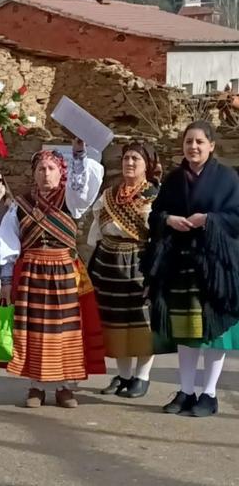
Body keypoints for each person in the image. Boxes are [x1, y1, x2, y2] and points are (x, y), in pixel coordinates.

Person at [0, 141, 105, 409]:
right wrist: (6, 280)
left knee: (66, 331)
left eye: (51, 167)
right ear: (34, 173)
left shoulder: (72, 200)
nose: (46, 173)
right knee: (34, 330)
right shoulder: (20, 204)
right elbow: (7, 243)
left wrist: (79, 155)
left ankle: (65, 387)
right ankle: (37, 386)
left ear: (61, 171)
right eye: (41, 168)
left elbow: (84, 187)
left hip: (64, 272)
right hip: (32, 273)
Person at [143, 120, 239, 418]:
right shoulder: (173, 179)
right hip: (180, 264)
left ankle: (209, 395)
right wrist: (169, 220)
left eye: (199, 142)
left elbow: (236, 216)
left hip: (215, 267)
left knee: (214, 333)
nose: (193, 147)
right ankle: (185, 391)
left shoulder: (228, 179)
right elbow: (155, 214)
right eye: (188, 142)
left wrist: (208, 220)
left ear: (211, 145)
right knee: (185, 332)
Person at [88, 142, 160, 398]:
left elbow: (158, 236)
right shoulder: (109, 194)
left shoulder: (154, 196)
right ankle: (124, 375)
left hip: (139, 261)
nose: (129, 163)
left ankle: (142, 376)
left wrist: (155, 269)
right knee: (115, 320)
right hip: (108, 261)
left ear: (147, 165)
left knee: (141, 320)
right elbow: (96, 231)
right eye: (127, 158)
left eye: (136, 159)